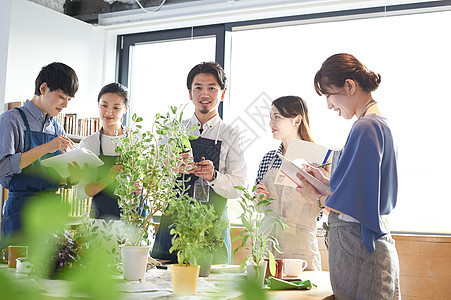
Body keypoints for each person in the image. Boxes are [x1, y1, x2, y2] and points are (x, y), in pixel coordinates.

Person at [296, 53, 400, 299]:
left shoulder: (365, 127)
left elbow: (357, 206)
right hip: (369, 245)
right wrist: (324, 182)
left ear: (349, 86)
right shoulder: (376, 123)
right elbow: (363, 192)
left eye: (329, 95)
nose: (329, 105)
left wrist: (317, 197)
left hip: (359, 248)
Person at [151, 62, 247, 264]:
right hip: (173, 224)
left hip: (213, 225)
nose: (205, 93)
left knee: (213, 289)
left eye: (212, 87)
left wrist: (214, 176)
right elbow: (153, 180)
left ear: (222, 94)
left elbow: (239, 186)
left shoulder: (231, 134)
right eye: (198, 87)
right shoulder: (172, 131)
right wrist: (171, 168)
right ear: (189, 93)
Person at [0, 62, 79, 245]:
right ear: (43, 88)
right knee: (17, 271)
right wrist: (46, 147)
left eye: (69, 99)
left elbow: (58, 175)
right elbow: (2, 168)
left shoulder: (57, 128)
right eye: (61, 97)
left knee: (50, 272)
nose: (65, 104)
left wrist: (72, 175)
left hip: (52, 212)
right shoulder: (11, 120)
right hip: (21, 211)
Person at [255, 95, 322, 271]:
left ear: (296, 120)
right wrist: (259, 197)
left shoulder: (316, 160)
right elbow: (257, 205)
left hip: (301, 246)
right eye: (270, 117)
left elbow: (322, 210)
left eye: (277, 117)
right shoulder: (269, 158)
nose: (271, 123)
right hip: (268, 244)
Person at [74, 83, 129, 219]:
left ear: (125, 109)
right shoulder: (89, 144)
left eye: (116, 107)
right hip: (101, 221)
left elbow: (151, 183)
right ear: (98, 105)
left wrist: (141, 188)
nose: (108, 112)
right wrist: (108, 179)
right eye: (104, 105)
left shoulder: (138, 140)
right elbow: (79, 192)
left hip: (134, 220)